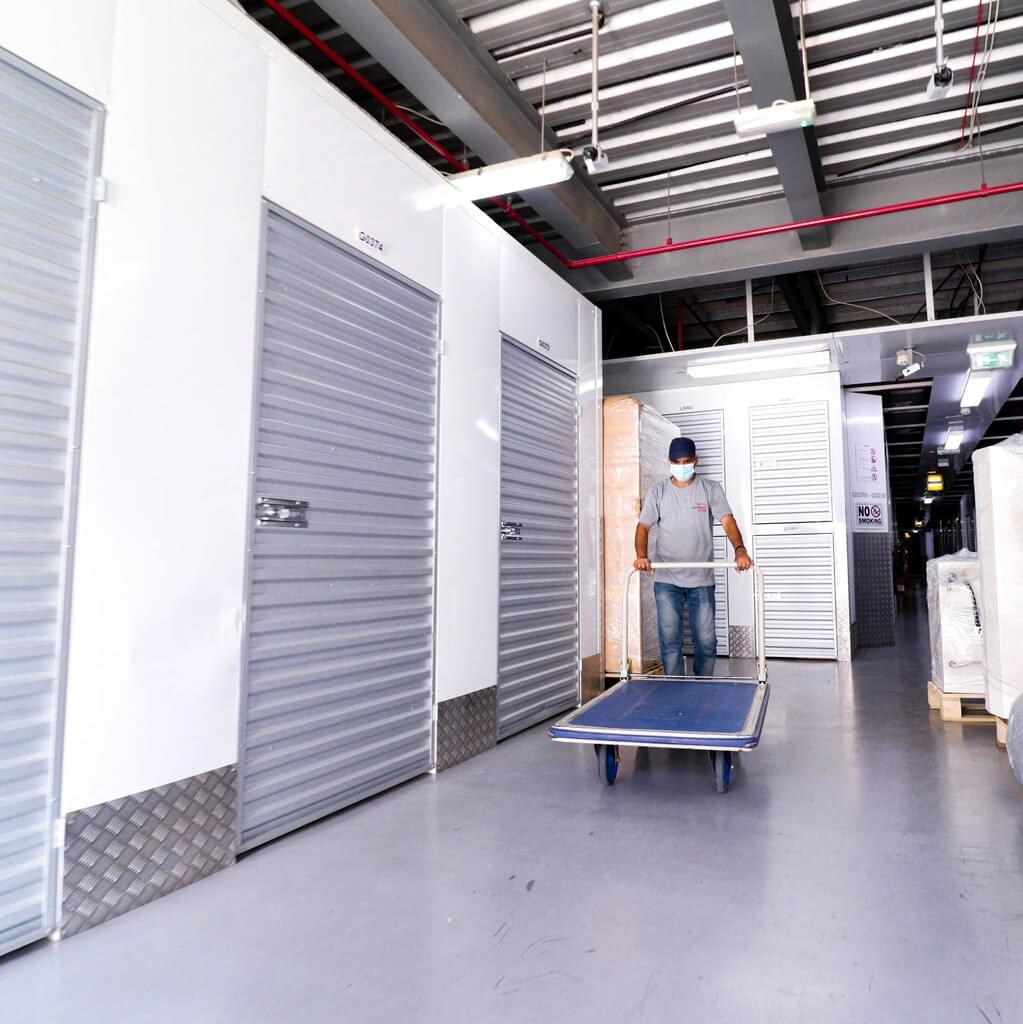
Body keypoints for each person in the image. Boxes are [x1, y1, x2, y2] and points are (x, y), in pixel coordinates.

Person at [634, 436, 752, 677]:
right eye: (677, 462)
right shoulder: (659, 491)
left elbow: (727, 521)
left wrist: (740, 550)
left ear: (695, 461)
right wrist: (641, 555)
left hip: (701, 580)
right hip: (667, 580)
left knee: (707, 641)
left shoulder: (710, 489)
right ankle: (675, 690)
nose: (682, 466)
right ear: (669, 463)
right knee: (670, 642)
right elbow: (643, 527)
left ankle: (703, 685)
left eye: (686, 461)